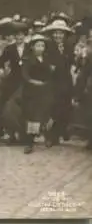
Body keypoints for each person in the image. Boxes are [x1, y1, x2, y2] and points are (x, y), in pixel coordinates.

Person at [42, 19, 74, 147]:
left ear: (65, 35)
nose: (58, 36)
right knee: (51, 108)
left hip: (65, 81)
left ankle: (59, 133)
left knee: (64, 107)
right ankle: (49, 136)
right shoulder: (47, 47)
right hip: (52, 81)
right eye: (55, 33)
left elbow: (70, 63)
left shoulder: (69, 47)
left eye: (60, 33)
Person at [21, 34, 54, 154]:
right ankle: (29, 142)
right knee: (32, 116)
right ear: (32, 47)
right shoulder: (27, 59)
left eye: (42, 46)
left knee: (45, 112)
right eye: (38, 45)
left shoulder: (47, 59)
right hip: (31, 91)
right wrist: (33, 81)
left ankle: (47, 136)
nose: (40, 48)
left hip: (45, 90)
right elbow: (24, 75)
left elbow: (50, 75)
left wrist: (50, 72)